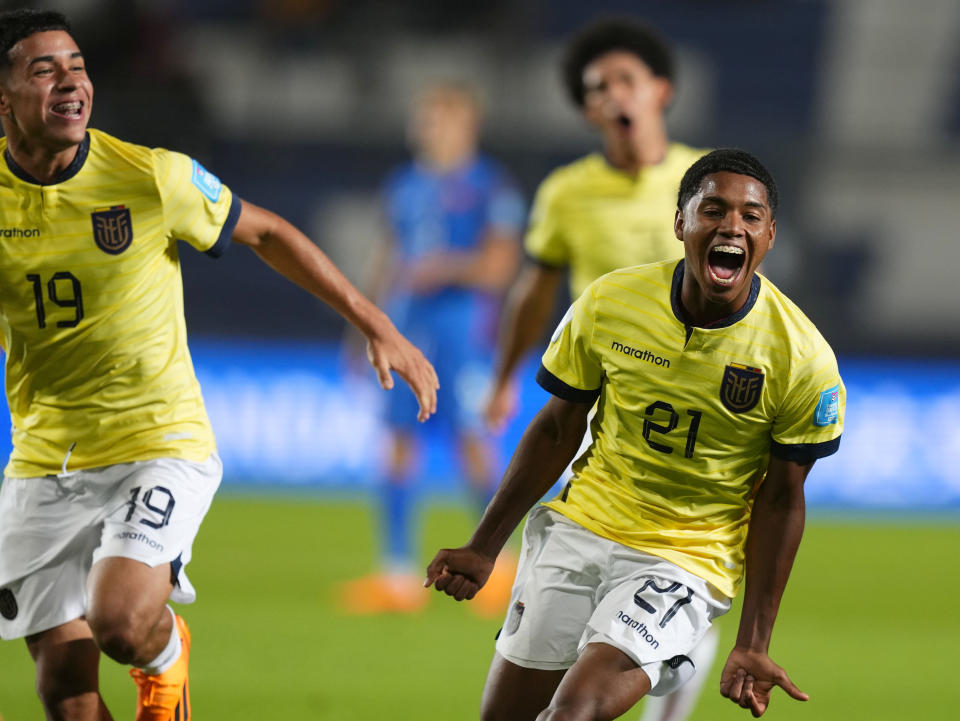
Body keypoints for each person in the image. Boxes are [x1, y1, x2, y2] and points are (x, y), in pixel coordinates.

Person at [0, 9, 437, 721]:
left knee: (120, 622)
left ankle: (167, 656)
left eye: (77, 65)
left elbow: (266, 231)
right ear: (4, 98)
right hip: (43, 458)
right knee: (64, 692)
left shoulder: (149, 176)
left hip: (157, 443)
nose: (71, 81)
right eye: (43, 69)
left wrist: (374, 321)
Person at [427, 148, 846, 720]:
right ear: (680, 223)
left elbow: (780, 498)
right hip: (580, 529)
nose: (732, 226)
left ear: (770, 234)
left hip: (685, 560)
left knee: (573, 712)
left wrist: (754, 640)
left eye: (751, 217)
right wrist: (484, 545)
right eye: (713, 210)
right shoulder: (609, 302)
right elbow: (555, 430)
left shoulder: (801, 357)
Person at [482, 19, 715, 721]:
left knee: (688, 574)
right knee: (583, 574)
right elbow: (536, 289)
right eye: (597, 87)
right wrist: (503, 378)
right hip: (603, 408)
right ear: (586, 109)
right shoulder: (567, 192)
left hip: (700, 414)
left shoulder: (707, 181)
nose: (614, 94)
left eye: (626, 80)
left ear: (661, 91)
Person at [339, 82, 524, 616]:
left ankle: (500, 566)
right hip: (405, 325)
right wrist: (363, 328)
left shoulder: (491, 187)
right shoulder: (403, 186)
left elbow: (500, 267)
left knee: (473, 440)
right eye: (422, 120)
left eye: (436, 120)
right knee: (396, 440)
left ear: (465, 125)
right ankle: (395, 574)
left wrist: (441, 267)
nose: (425, 130)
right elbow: (390, 260)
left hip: (463, 329)